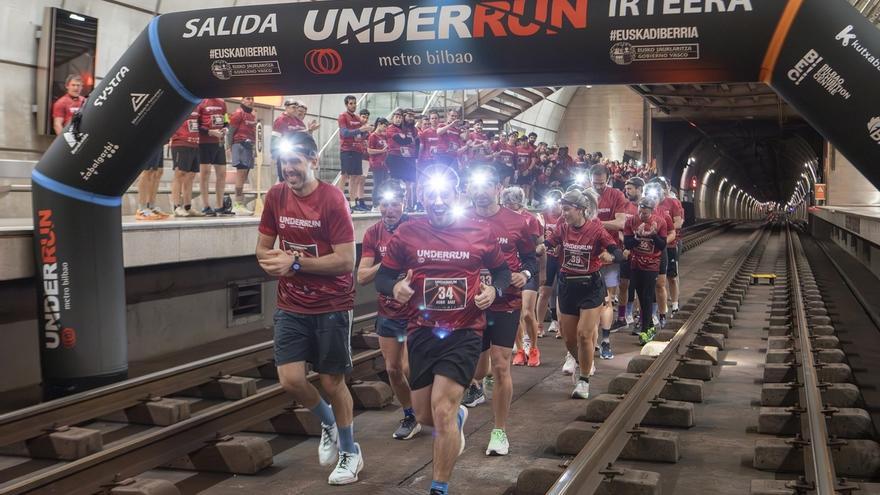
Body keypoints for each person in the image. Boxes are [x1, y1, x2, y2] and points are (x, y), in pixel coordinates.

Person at [375, 164, 511, 495]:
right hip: (422, 331)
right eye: (431, 194)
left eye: (444, 195)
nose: (437, 201)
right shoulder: (407, 233)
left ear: (456, 195)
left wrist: (494, 291)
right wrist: (395, 289)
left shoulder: (479, 232)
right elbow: (383, 276)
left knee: (442, 409)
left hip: (464, 333)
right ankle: (457, 420)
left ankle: (439, 486)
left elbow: (502, 271)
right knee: (425, 416)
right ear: (422, 195)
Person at [255, 132, 362, 485]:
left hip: (332, 303)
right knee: (291, 379)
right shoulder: (275, 196)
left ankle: (350, 452)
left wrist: (295, 264)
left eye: (296, 162)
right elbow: (262, 250)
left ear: (314, 161)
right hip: (292, 302)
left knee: (332, 381)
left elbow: (347, 261)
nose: (289, 169)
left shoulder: (332, 200)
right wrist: (271, 263)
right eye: (285, 162)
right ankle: (329, 422)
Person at [461, 168, 537, 458]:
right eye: (475, 186)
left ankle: (499, 431)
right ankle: (476, 387)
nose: (481, 192)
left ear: (498, 188)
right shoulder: (460, 219)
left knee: (501, 364)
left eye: (487, 186)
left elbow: (531, 258)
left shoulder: (518, 221)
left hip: (505, 303)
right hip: (471, 303)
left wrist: (525, 273)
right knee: (476, 368)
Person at [357, 179, 421, 440]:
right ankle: (410, 415)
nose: (389, 209)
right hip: (387, 312)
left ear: (403, 203)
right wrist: (387, 262)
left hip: (416, 311)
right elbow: (362, 276)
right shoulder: (373, 233)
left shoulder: (415, 228)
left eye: (395, 203)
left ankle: (429, 406)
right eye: (384, 204)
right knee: (393, 369)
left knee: (408, 368)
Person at [544, 189, 622, 399]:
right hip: (568, 286)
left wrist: (610, 257)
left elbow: (617, 252)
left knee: (585, 335)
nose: (564, 213)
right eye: (563, 209)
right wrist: (540, 248)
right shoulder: (562, 229)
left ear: (580, 210)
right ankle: (584, 362)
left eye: (567, 209)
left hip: (590, 286)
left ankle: (584, 380)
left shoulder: (596, 230)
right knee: (569, 339)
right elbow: (547, 244)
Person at [590, 164, 629, 360]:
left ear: (608, 180)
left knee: (607, 299)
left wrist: (595, 223)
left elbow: (621, 222)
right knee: (588, 304)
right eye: (594, 183)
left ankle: (605, 341)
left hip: (609, 253)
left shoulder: (616, 195)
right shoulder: (584, 195)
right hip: (588, 254)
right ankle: (591, 340)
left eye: (601, 183)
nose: (597, 187)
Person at [624, 198, 668, 345]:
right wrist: (637, 237)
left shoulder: (660, 222)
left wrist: (653, 235)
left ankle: (644, 331)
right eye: (640, 212)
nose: (642, 215)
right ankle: (649, 326)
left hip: (652, 264)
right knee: (641, 296)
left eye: (645, 213)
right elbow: (627, 243)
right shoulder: (631, 222)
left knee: (648, 295)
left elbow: (662, 246)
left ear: (652, 211)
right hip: (636, 263)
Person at [614, 177, 644, 329]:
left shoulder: (646, 206)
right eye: (626, 189)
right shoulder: (624, 206)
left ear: (639, 189)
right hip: (625, 251)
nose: (627, 191)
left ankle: (640, 315)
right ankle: (622, 316)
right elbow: (619, 229)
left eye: (631, 189)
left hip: (642, 252)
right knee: (624, 284)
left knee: (640, 285)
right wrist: (626, 243)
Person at [536, 189, 563, 346]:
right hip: (548, 258)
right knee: (544, 291)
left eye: (556, 203)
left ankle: (560, 325)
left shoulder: (566, 215)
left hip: (561, 258)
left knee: (561, 292)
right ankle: (539, 325)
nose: (553, 207)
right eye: (550, 204)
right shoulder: (543, 215)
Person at [338, 96, 373, 212]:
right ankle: (338, 202)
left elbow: (360, 136)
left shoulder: (358, 118)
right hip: (346, 149)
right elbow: (344, 133)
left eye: (354, 103)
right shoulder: (343, 116)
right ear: (346, 105)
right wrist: (361, 130)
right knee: (344, 176)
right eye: (351, 103)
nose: (353, 105)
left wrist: (367, 132)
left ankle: (353, 204)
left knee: (355, 177)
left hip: (357, 150)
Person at [197, 98, 231, 216]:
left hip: (219, 143)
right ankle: (205, 206)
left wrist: (226, 128)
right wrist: (210, 132)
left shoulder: (222, 103)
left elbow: (226, 120)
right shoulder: (201, 102)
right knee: (205, 173)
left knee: (222, 174)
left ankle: (219, 205)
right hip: (204, 143)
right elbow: (197, 124)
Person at [272, 100, 318, 182]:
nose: (297, 111)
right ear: (286, 107)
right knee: (284, 177)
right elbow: (275, 137)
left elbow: (305, 138)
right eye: (294, 108)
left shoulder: (300, 123)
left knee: (299, 177)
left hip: (299, 154)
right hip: (285, 154)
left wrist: (310, 131)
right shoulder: (281, 120)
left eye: (297, 109)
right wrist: (275, 154)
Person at [170, 108, 204, 217]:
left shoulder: (198, 105)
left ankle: (187, 206)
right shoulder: (180, 102)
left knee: (191, 175)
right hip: (180, 142)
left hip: (194, 143)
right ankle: (176, 206)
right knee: (180, 174)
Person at [228, 97, 257, 216]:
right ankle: (238, 204)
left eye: (252, 99)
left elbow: (253, 132)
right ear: (242, 101)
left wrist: (254, 148)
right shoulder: (238, 113)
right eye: (247, 98)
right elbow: (230, 131)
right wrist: (229, 147)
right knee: (240, 174)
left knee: (244, 175)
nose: (250, 101)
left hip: (249, 146)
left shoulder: (252, 116)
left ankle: (240, 203)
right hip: (239, 144)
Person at [385, 109, 417, 210]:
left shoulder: (404, 129)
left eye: (400, 117)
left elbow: (413, 141)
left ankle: (408, 205)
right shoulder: (390, 129)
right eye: (396, 117)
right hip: (393, 157)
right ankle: (394, 204)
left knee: (408, 182)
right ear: (392, 118)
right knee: (395, 182)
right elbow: (402, 141)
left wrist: (407, 139)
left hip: (404, 157)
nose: (398, 119)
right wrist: (408, 139)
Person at [135, 148, 169, 220]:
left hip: (160, 141)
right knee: (147, 171)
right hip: (150, 141)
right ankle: (141, 209)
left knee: (158, 171)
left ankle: (151, 207)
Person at [367, 118, 390, 210]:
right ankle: (375, 204)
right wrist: (381, 151)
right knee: (378, 184)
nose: (385, 129)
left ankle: (383, 202)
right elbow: (369, 150)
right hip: (376, 164)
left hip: (384, 164)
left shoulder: (384, 136)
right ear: (379, 124)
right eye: (384, 126)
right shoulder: (373, 136)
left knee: (385, 184)